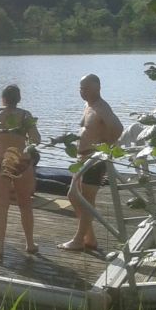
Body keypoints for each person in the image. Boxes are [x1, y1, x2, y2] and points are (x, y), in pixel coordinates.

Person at [0, 85, 42, 260]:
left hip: (0, 162)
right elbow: (37, 139)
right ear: (18, 99)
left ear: (3, 98)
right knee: (25, 204)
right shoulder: (26, 115)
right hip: (22, 162)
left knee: (1, 206)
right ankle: (30, 243)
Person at [59, 74, 123, 252]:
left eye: (85, 87)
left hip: (94, 160)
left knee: (86, 200)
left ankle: (79, 239)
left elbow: (118, 128)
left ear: (97, 88)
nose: (82, 91)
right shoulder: (88, 106)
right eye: (80, 88)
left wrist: (106, 148)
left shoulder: (102, 107)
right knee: (73, 196)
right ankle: (90, 238)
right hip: (82, 159)